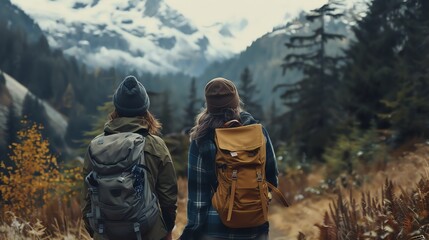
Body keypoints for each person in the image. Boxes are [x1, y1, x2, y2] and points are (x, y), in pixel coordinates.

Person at [180, 77, 279, 240]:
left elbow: (198, 198)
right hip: (254, 226)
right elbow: (272, 179)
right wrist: (250, 203)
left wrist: (191, 232)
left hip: (214, 228)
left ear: (209, 105)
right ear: (236, 101)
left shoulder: (201, 139)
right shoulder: (258, 132)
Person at [81, 75, 178, 240]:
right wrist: (167, 228)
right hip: (149, 232)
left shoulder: (96, 146)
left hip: (105, 234)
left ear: (116, 109)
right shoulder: (155, 145)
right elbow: (168, 197)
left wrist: (97, 232)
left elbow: (87, 199)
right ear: (145, 110)